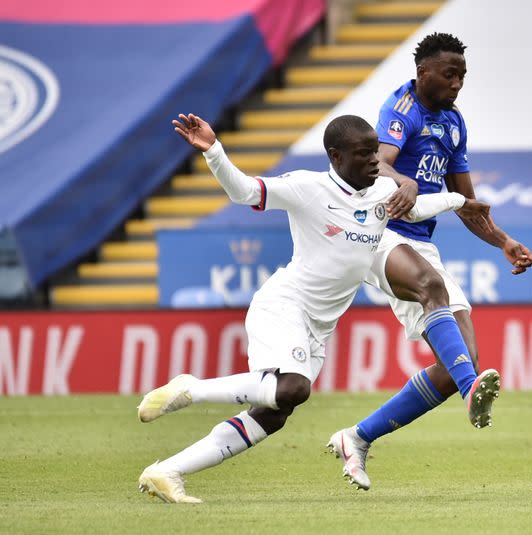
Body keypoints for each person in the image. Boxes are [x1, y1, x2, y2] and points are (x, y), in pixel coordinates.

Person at [136, 113, 491, 503]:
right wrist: (215, 151)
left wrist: (461, 201)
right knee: (294, 387)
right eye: (364, 154)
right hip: (284, 305)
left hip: (318, 326)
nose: (375, 161)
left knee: (275, 411)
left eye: (376, 152)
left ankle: (167, 471)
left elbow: (419, 208)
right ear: (336, 157)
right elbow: (243, 191)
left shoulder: (378, 192)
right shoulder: (307, 187)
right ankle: (193, 389)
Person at [327, 33, 532, 490]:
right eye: (449, 74)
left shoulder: (454, 122)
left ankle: (357, 438)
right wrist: (401, 178)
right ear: (423, 74)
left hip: (420, 242)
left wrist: (502, 241)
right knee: (431, 289)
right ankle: (470, 391)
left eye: (462, 75)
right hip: (376, 232)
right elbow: (376, 161)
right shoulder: (401, 109)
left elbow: (467, 203)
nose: (457, 83)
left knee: (458, 360)